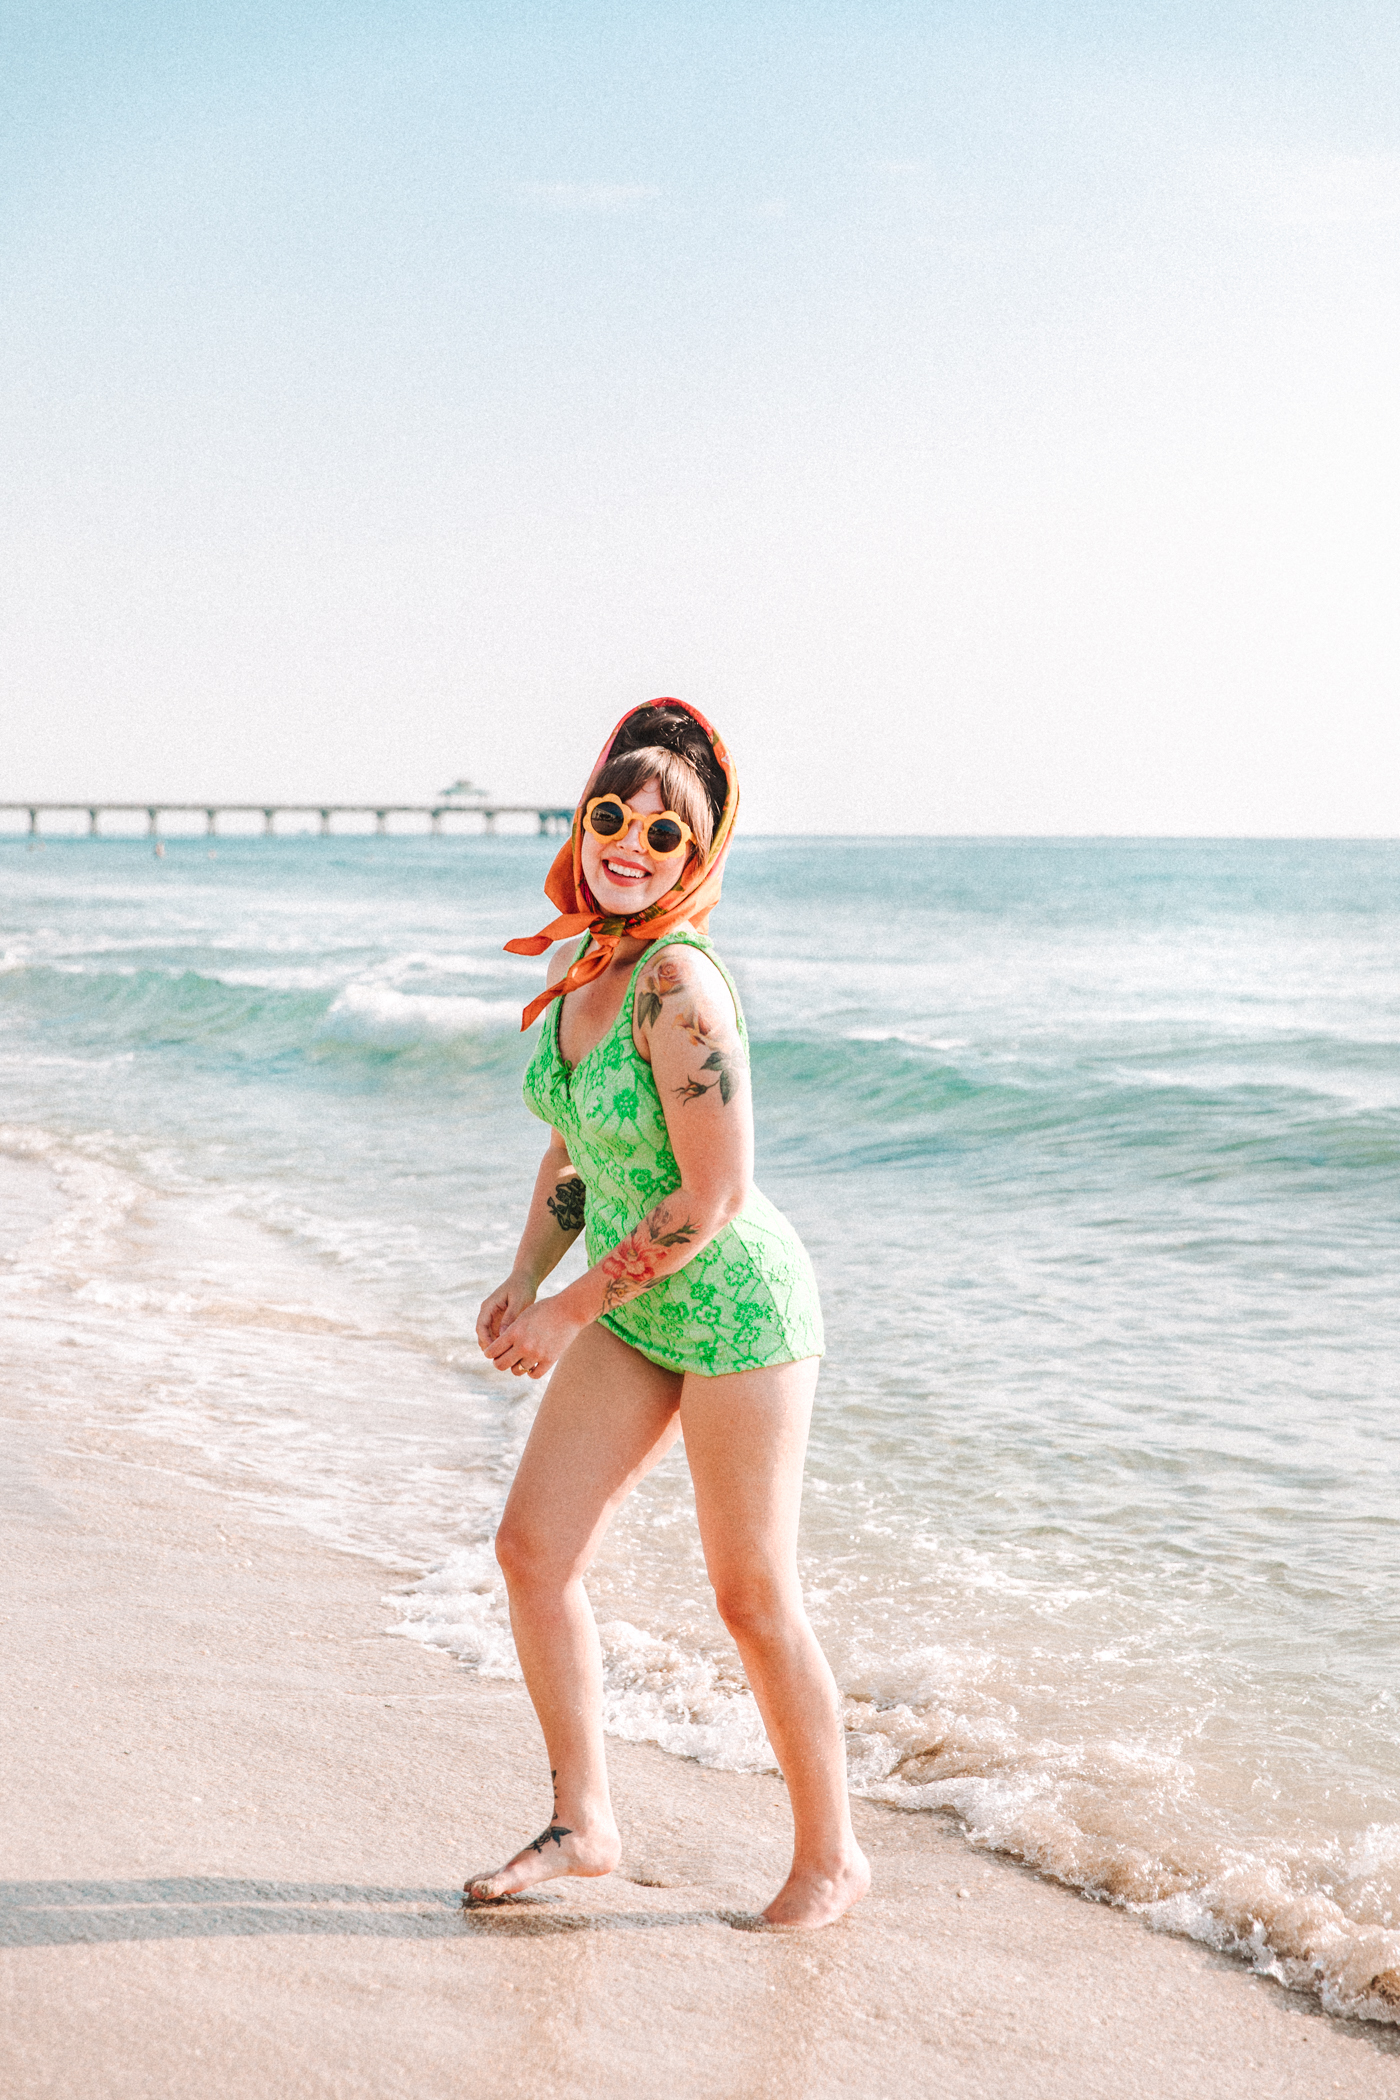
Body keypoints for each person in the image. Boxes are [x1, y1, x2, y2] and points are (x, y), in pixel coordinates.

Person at [468, 699, 869, 1929]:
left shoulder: (678, 986)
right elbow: (573, 1155)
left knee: (751, 1595)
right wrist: (521, 1279)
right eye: (610, 815)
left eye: (664, 833)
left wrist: (570, 1310)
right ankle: (584, 1821)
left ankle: (829, 1860)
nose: (629, 843)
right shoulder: (583, 968)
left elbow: (714, 1193)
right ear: (581, 822)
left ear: (698, 863)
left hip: (739, 1312)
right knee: (532, 1553)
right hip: (641, 1316)